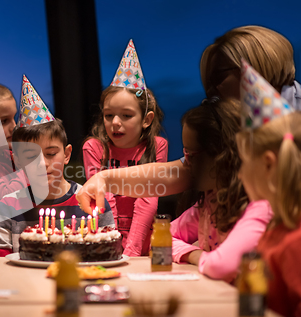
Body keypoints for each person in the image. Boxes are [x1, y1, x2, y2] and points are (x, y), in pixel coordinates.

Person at [76, 26, 300, 214]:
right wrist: (105, 178)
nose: (212, 90)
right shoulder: (235, 124)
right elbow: (182, 172)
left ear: (257, 67)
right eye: (208, 81)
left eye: (219, 76)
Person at [169, 99, 271, 283]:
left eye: (191, 155)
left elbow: (221, 266)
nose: (186, 164)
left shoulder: (260, 208)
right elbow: (162, 236)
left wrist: (198, 256)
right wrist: (196, 254)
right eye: (185, 154)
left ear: (222, 155)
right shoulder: (209, 202)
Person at [0, 119, 115, 256]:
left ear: (67, 155)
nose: (42, 163)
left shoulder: (92, 203)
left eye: (51, 154)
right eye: (31, 156)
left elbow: (109, 253)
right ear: (18, 161)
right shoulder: (6, 208)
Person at [83, 86, 166, 256]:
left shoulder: (157, 146)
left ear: (146, 119)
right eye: (108, 115)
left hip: (145, 245)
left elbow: (149, 197)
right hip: (106, 241)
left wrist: (131, 251)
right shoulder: (94, 148)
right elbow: (102, 198)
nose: (115, 122)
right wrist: (115, 244)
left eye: (126, 115)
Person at [237, 112, 301, 317]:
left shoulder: (295, 244)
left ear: (268, 164)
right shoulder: (274, 229)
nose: (239, 174)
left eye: (243, 162)